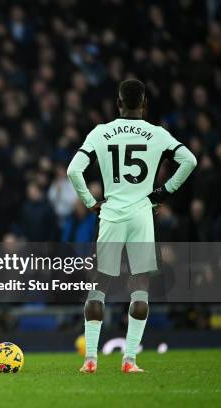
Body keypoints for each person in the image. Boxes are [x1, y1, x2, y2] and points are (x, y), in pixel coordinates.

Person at [67, 79, 197, 373]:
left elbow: (73, 170)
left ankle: (90, 359)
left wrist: (90, 201)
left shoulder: (101, 133)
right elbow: (189, 160)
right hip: (142, 213)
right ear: (144, 104)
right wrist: (163, 193)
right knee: (140, 288)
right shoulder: (157, 134)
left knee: (98, 288)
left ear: (118, 103)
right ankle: (129, 360)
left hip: (111, 213)